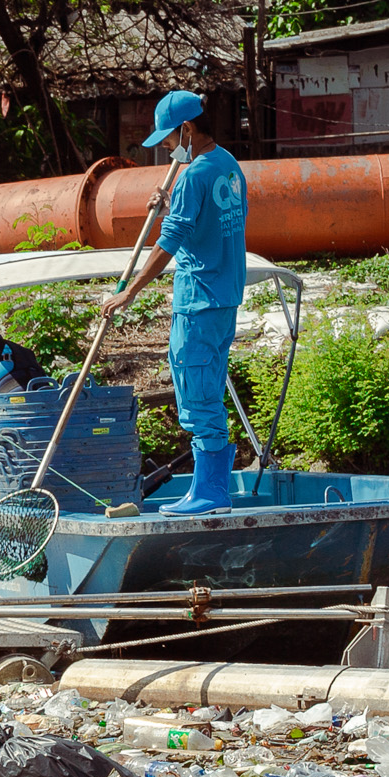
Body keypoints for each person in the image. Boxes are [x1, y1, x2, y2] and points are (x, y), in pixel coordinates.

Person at [101, 88, 249, 514]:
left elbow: (170, 242)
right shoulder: (228, 166)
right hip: (223, 296)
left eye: (169, 138)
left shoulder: (196, 175)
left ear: (187, 130)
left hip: (199, 298)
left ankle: (210, 492)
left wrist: (131, 290)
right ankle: (210, 488)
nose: (167, 146)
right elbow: (211, 226)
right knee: (207, 388)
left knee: (195, 389)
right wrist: (170, 203)